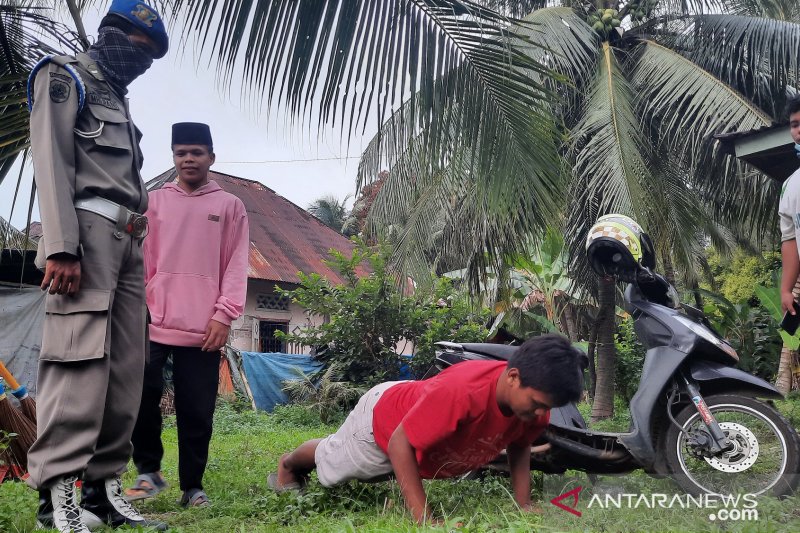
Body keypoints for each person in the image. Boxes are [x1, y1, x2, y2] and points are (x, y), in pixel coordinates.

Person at [25, 2, 168, 532]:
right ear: (110, 34)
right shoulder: (62, 76)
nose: (143, 61)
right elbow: (51, 158)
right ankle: (55, 497)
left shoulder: (118, 98)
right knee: (78, 360)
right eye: (137, 47)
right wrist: (61, 244)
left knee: (126, 369)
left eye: (151, 57)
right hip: (83, 238)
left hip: (129, 240)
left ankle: (103, 491)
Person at [270, 334, 584, 525]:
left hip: (420, 405)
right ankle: (288, 465)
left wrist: (523, 503)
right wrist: (425, 520)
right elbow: (398, 444)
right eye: (538, 403)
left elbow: (520, 445)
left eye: (549, 408)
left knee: (383, 470)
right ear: (513, 377)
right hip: (383, 418)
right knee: (336, 459)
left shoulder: (533, 410)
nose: (543, 414)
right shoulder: (464, 393)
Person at [124, 122, 249, 508]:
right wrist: (139, 307)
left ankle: (192, 487)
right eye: (181, 153)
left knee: (198, 410)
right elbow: (141, 259)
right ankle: (149, 473)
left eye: (196, 152)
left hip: (204, 327)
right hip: (152, 321)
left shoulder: (229, 206)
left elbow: (235, 263)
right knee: (140, 399)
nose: (188, 159)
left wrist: (224, 315)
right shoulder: (154, 202)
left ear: (211, 157)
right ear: (174, 157)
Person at [779, 94, 800, 315]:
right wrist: (786, 290)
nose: (799, 130)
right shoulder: (790, 185)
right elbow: (790, 239)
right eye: (795, 125)